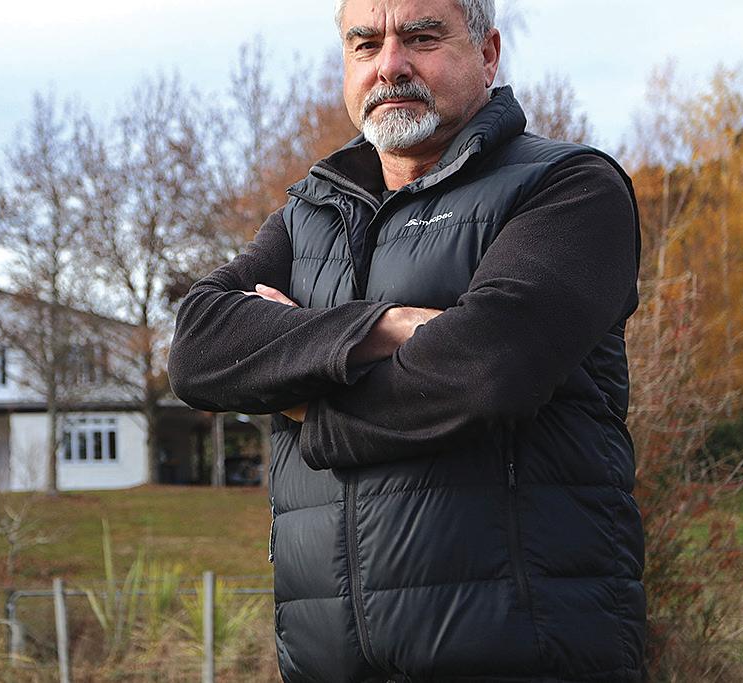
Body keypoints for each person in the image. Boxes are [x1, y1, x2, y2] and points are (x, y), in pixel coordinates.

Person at [167, 0, 646, 679]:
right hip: (327, 663)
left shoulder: (567, 188)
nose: (390, 66)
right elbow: (197, 350)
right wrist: (382, 328)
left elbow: (485, 374)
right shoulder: (311, 214)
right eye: (365, 45)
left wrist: (304, 403)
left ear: (486, 53)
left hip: (521, 659)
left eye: (421, 38)